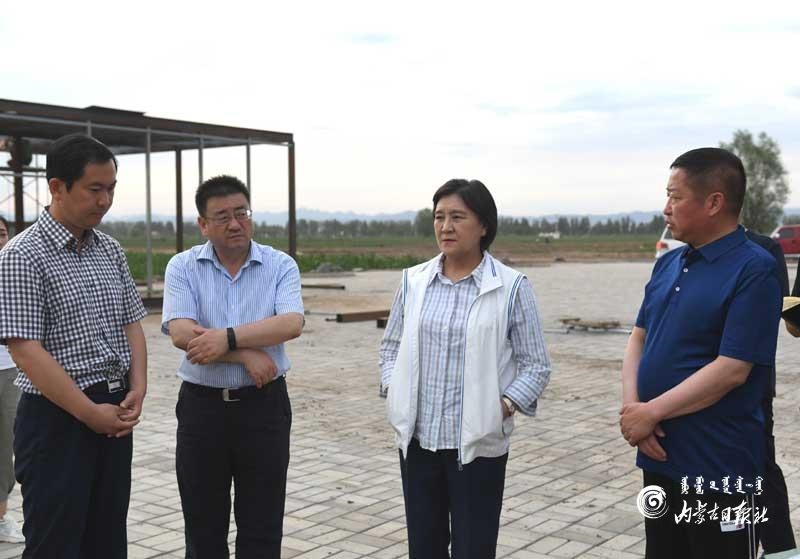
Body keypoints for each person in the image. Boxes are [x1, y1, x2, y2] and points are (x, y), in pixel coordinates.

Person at [620, 147, 782, 559]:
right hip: (660, 457)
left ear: (714, 203)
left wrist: (651, 412)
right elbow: (638, 338)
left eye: (675, 197)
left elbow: (732, 369)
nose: (666, 208)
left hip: (718, 465)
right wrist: (634, 411)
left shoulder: (754, 268)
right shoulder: (668, 264)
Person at [379, 179, 552, 559]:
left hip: (476, 445)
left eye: (458, 217)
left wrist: (500, 408)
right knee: (424, 547)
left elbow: (536, 365)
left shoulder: (511, 287)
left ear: (484, 225)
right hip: (418, 440)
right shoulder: (413, 282)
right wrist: (395, 393)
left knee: (474, 547)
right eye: (439, 217)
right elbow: (391, 347)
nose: (446, 227)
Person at [0, 134, 148, 558]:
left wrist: (138, 386)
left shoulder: (109, 250)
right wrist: (89, 413)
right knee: (56, 542)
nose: (105, 200)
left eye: (111, 189)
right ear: (57, 187)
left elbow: (131, 323)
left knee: (107, 539)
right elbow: (26, 351)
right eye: (94, 189)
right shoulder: (22, 255)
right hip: (57, 418)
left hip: (113, 411)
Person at [162, 175, 303, 559]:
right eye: (222, 216)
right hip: (202, 410)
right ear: (203, 224)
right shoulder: (183, 266)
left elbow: (291, 322)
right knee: (203, 527)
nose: (235, 223)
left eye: (242, 213)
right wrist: (243, 354)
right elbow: (181, 332)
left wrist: (227, 339)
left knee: (262, 525)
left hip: (264, 407)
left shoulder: (279, 265)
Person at [745, 231, 797, 556]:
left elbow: (793, 321)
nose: (668, 209)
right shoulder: (678, 262)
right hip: (689, 394)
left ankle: (782, 551)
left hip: (749, 387)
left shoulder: (763, 250)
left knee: (759, 464)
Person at [0, 216, 24, 544]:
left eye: (2, 233)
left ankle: (1, 515)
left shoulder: (16, 274)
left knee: (5, 446)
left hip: (9, 371)